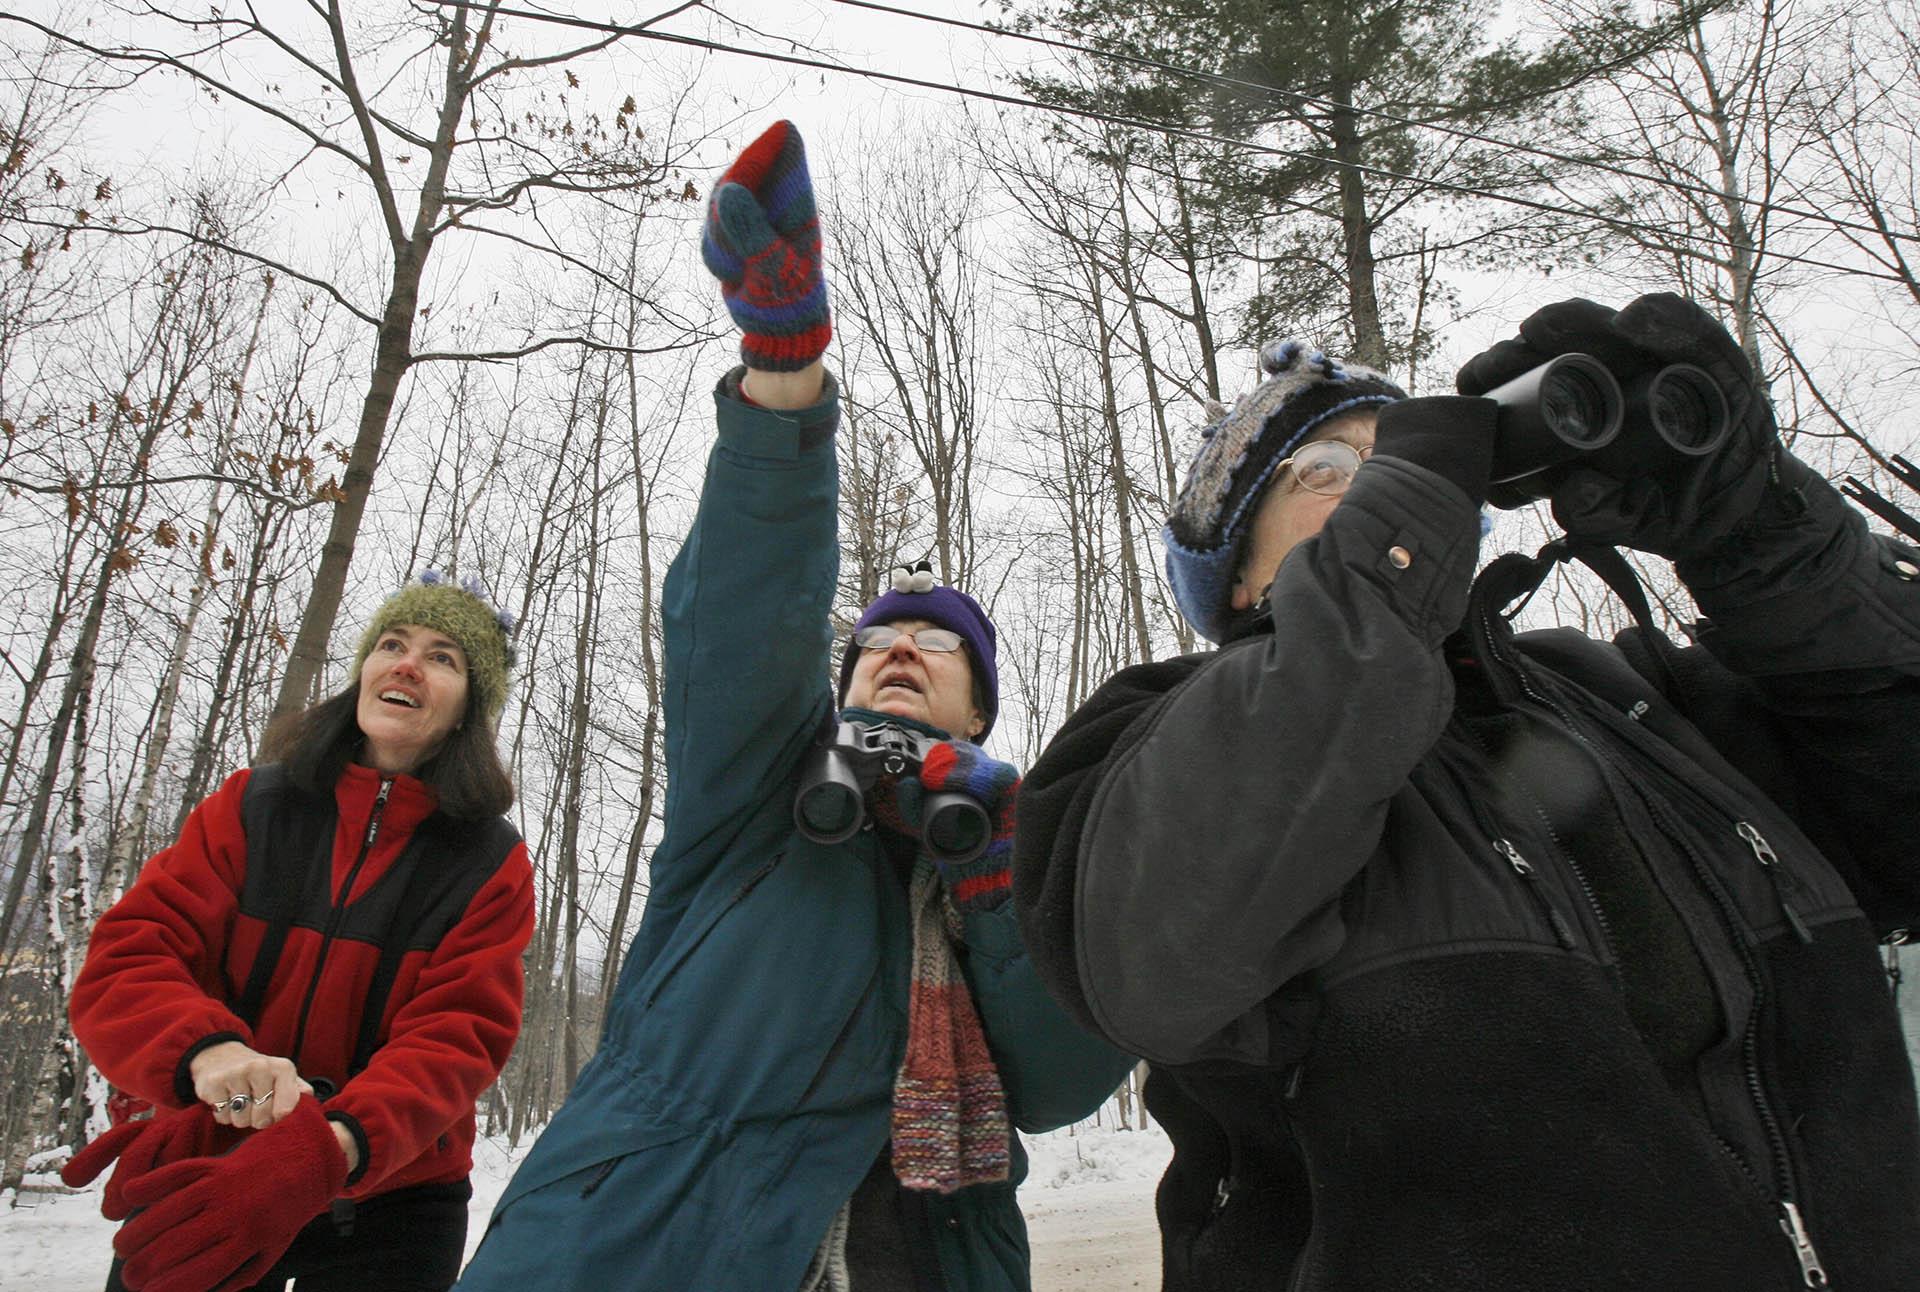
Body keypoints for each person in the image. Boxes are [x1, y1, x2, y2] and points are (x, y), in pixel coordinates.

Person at [1011, 299, 1920, 1289]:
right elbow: (1153, 959)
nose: (1381, 484)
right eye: (1330, 470)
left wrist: (1764, 533)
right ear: (1232, 573)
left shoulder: (1635, 697)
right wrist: (1401, 520)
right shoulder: (1149, 734)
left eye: (1397, 454)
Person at [454, 121, 1131, 1292]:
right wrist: (783, 370)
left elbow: (1065, 1083)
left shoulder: (1029, 840)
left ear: (979, 711)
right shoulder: (760, 789)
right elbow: (740, 623)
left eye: (936, 645)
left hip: (926, 1253)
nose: (902, 650)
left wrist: (992, 878)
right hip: (640, 1243)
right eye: (876, 642)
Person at [64, 572, 536, 1292]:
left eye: (443, 657)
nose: (407, 663)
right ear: (364, 673)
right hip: (215, 1173)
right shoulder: (252, 806)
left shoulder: (490, 861)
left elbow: (457, 1037)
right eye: (392, 643)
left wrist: (327, 1150)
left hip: (394, 1209)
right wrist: (208, 1052)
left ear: (472, 706)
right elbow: (132, 956)